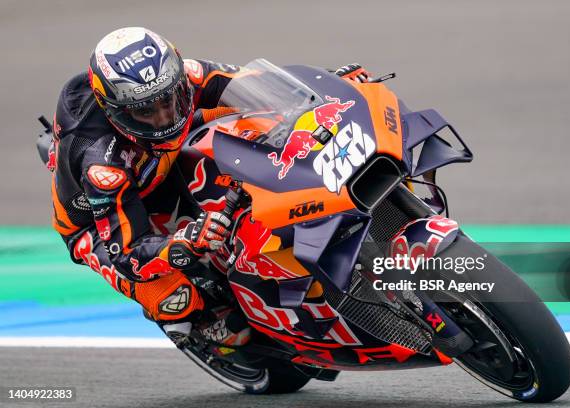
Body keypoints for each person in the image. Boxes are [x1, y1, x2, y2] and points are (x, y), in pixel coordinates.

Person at [48, 26, 369, 346]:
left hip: (160, 159)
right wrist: (183, 242)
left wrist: (328, 90)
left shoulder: (179, 75)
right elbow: (129, 254)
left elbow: (256, 84)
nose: (164, 117)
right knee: (177, 301)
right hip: (99, 225)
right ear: (115, 111)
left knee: (257, 115)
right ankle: (206, 326)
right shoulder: (101, 163)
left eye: (170, 100)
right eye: (146, 111)